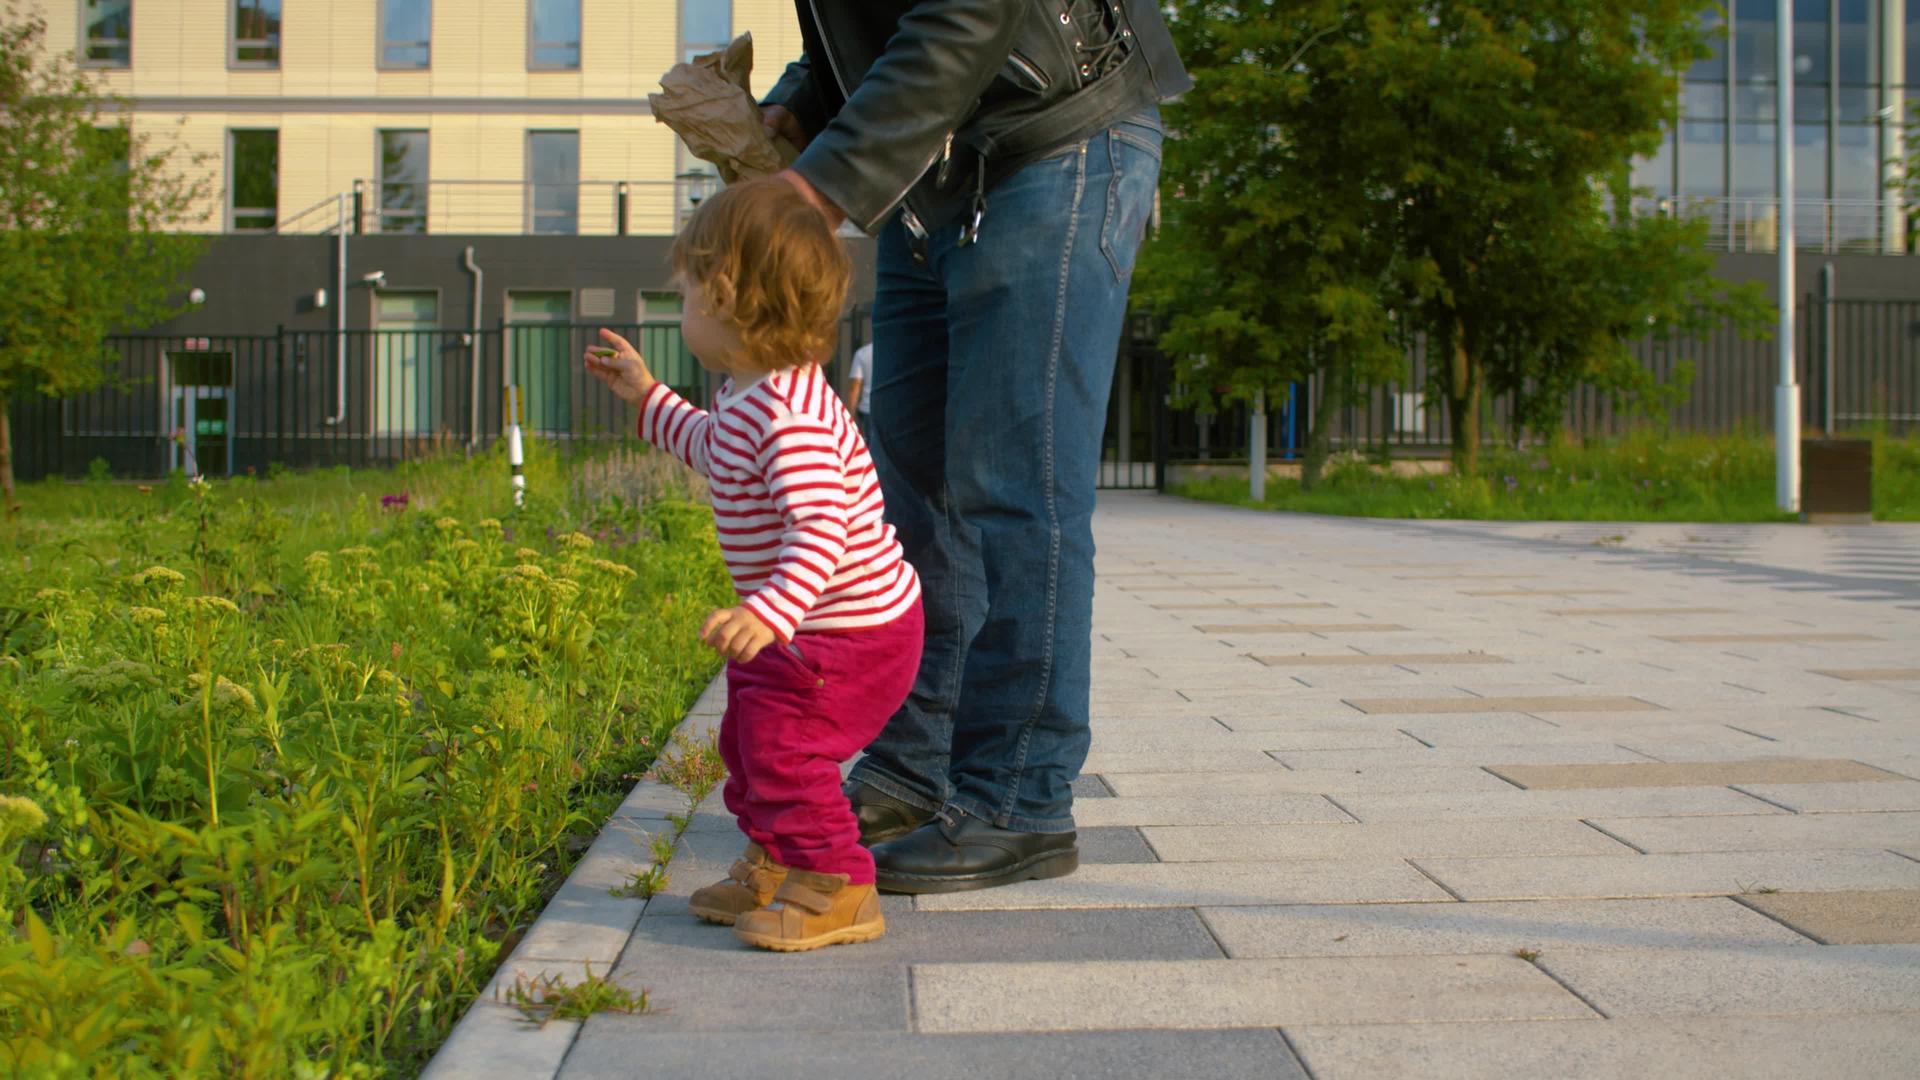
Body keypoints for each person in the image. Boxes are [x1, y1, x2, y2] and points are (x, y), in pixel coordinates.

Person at [757, 1, 1190, 894]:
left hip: (1056, 139)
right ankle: (914, 767)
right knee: (912, 488)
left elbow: (968, 9)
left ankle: (1020, 798)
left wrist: (818, 180)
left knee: (1015, 485)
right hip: (936, 172)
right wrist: (800, 100)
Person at [583, 177, 923, 952]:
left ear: (726, 295)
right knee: (746, 741)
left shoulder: (791, 417)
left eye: (686, 293)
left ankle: (837, 883)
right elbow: (711, 447)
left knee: (783, 749)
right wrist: (647, 397)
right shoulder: (750, 396)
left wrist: (768, 611)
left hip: (847, 633)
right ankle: (776, 861)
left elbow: (822, 527)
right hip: (810, 627)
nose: (682, 308)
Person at [844, 340, 874, 440]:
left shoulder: (862, 353)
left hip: (868, 409)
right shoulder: (893, 351)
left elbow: (854, 387)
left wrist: (849, 418)